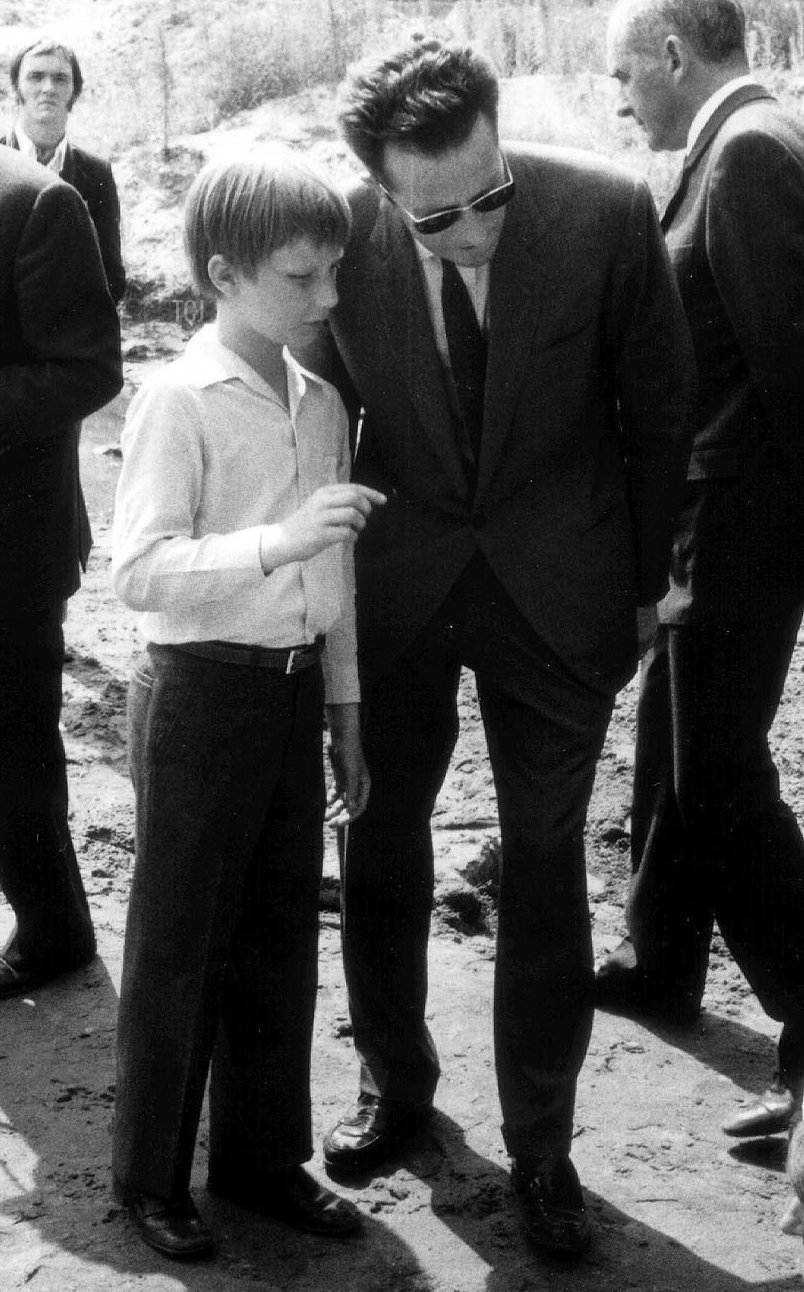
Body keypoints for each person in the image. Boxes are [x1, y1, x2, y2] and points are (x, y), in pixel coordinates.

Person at [317, 37, 695, 1258]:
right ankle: (396, 1082)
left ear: (501, 135)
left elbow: (662, 409)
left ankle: (544, 1146)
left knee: (542, 865)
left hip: (560, 590)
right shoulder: (336, 236)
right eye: (436, 219)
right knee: (379, 833)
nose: (474, 229)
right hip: (402, 586)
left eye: (490, 194)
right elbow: (313, 415)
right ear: (379, 190)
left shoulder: (602, 209)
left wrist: (642, 592)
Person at [110, 147, 385, 1261]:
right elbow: (136, 570)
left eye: (333, 274)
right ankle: (149, 1176)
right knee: (182, 941)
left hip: (289, 690)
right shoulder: (180, 396)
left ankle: (263, 1160)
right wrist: (276, 540)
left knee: (279, 931)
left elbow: (337, 577)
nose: (327, 299)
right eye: (301, 277)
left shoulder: (317, 398)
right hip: (198, 694)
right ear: (223, 275)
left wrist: (347, 709)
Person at [599, 0, 804, 1143]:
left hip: (746, 529)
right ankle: (660, 958)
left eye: (624, 72)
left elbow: (791, 363)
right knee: (673, 748)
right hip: (717, 522)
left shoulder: (753, 156)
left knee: (718, 773)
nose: (620, 97)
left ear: (673, 56)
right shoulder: (738, 148)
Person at [0, 144, 121, 1000]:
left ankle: (53, 930)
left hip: (8, 543)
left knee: (11, 746)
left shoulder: (37, 202)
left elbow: (87, 369)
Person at [2, 36, 125, 303]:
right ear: (16, 88)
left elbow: (112, 277)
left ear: (75, 91)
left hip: (67, 334)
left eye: (60, 78)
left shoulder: (96, 174)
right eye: (35, 76)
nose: (48, 88)